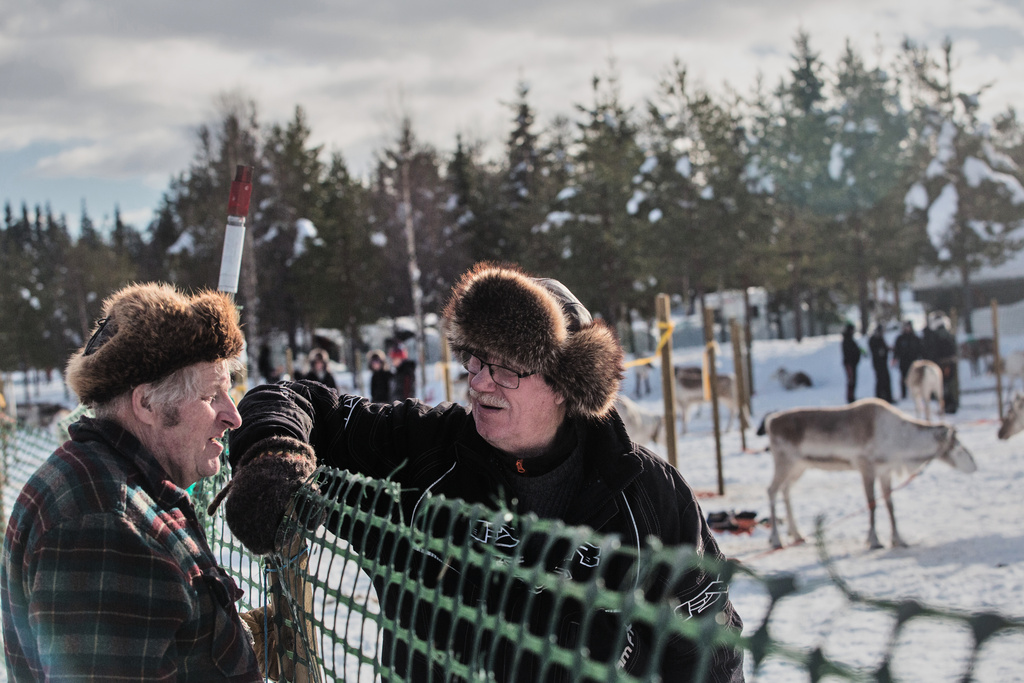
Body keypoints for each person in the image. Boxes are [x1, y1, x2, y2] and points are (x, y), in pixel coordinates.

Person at [219, 262, 745, 681]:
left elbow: (708, 650)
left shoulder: (647, 497)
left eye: (505, 367)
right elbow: (286, 397)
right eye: (474, 360)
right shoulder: (426, 452)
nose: (479, 382)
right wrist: (272, 450)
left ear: (565, 384)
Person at [1, 283, 263, 681]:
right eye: (212, 396)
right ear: (146, 404)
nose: (233, 416)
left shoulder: (126, 490)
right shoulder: (104, 525)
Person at [892, 321, 923, 400]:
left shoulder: (915, 338)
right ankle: (903, 394)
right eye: (905, 326)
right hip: (903, 362)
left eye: (908, 326)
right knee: (903, 378)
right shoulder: (900, 338)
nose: (907, 328)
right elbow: (897, 350)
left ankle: (915, 394)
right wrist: (895, 358)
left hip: (914, 362)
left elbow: (920, 350)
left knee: (915, 378)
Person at [868, 325, 893, 403]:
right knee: (880, 380)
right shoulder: (873, 339)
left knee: (886, 380)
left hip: (883, 363)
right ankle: (880, 398)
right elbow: (875, 351)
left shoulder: (881, 339)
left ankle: (887, 398)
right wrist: (880, 351)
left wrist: (888, 349)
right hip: (878, 364)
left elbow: (884, 348)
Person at [842, 322, 863, 403]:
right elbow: (849, 352)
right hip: (849, 364)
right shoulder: (847, 340)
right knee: (851, 380)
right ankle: (850, 397)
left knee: (853, 380)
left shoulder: (851, 339)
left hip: (853, 364)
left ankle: (852, 396)